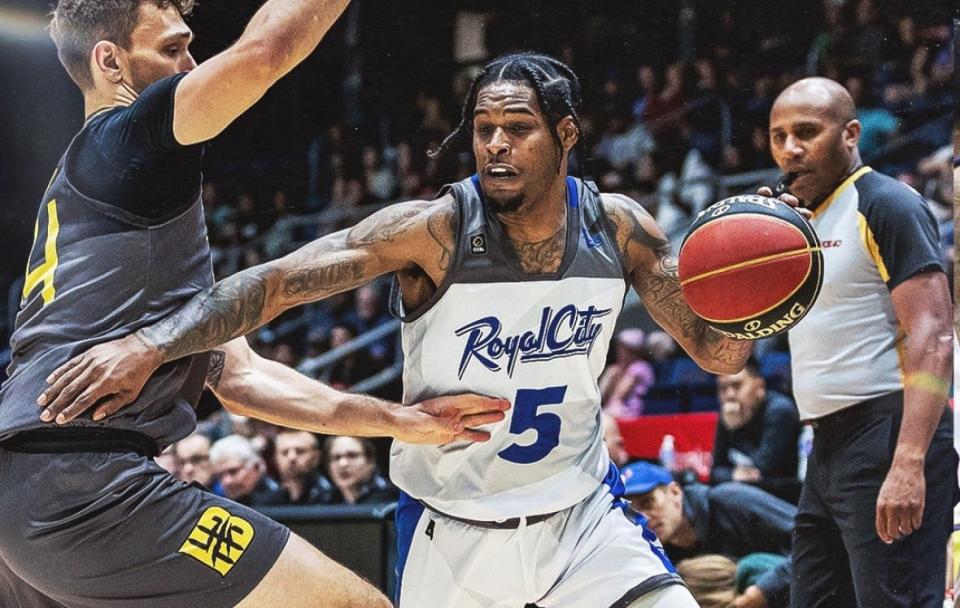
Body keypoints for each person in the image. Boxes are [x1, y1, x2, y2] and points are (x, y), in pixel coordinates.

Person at [37, 52, 801, 608]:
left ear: (567, 134)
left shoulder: (620, 228)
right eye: (483, 128)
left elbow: (720, 352)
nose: (495, 144)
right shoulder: (433, 230)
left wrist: (760, 283)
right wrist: (154, 343)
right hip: (453, 530)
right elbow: (272, 285)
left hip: (580, 521)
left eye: (518, 128)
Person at [0, 0, 512, 608]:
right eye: (172, 48)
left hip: (26, 499)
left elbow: (239, 377)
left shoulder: (108, 210)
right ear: (110, 60)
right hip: (85, 485)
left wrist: (401, 422)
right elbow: (266, 52)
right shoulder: (128, 138)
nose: (192, 61)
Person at [766, 77, 955, 607]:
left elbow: (934, 335)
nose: (790, 148)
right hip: (827, 446)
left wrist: (909, 460)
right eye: (778, 136)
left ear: (851, 133)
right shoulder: (796, 222)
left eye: (806, 132)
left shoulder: (886, 203)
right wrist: (755, 241)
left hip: (888, 431)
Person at [623, 461, 794, 608]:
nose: (643, 518)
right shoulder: (653, 556)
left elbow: (815, 541)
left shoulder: (729, 500)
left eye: (648, 503)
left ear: (675, 492)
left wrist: (765, 589)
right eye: (631, 512)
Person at [711, 356, 800, 497]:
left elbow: (761, 471)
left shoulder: (780, 411)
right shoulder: (728, 415)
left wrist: (736, 430)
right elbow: (715, 472)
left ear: (759, 387)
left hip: (783, 495)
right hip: (747, 494)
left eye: (737, 385)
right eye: (722, 388)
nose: (729, 395)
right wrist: (735, 475)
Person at [210, 434, 283, 507]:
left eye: (233, 472)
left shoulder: (281, 500)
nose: (226, 481)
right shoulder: (217, 505)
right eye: (219, 475)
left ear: (256, 467)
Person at [323, 435, 398, 505]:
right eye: (336, 457)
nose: (343, 464)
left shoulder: (392, 499)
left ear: (370, 461)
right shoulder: (323, 500)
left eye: (352, 455)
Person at [273, 429, 333, 505]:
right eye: (285, 452)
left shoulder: (330, 498)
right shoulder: (269, 501)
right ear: (276, 459)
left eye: (300, 451)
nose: (291, 457)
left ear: (316, 458)